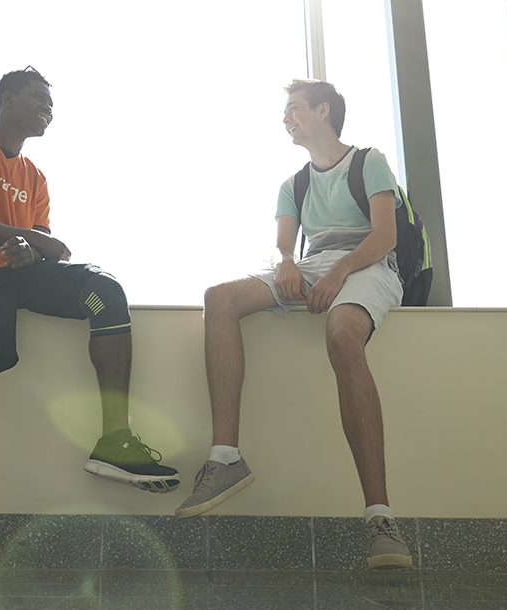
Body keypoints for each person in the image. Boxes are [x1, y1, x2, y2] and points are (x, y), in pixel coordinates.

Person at [0, 67, 179, 583]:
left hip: (11, 275)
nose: (46, 109)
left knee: (106, 292)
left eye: (50, 104)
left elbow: (34, 248)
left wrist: (27, 247)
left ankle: (115, 440)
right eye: (37, 99)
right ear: (7, 100)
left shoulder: (34, 177)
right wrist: (27, 239)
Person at [174, 79, 413, 570]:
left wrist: (342, 271)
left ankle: (381, 519)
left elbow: (385, 235)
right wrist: (286, 261)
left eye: (294, 109)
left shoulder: (370, 162)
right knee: (219, 299)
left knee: (344, 334)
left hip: (369, 264)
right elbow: (287, 243)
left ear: (323, 111)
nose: (287, 118)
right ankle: (225, 459)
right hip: (314, 264)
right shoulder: (294, 184)